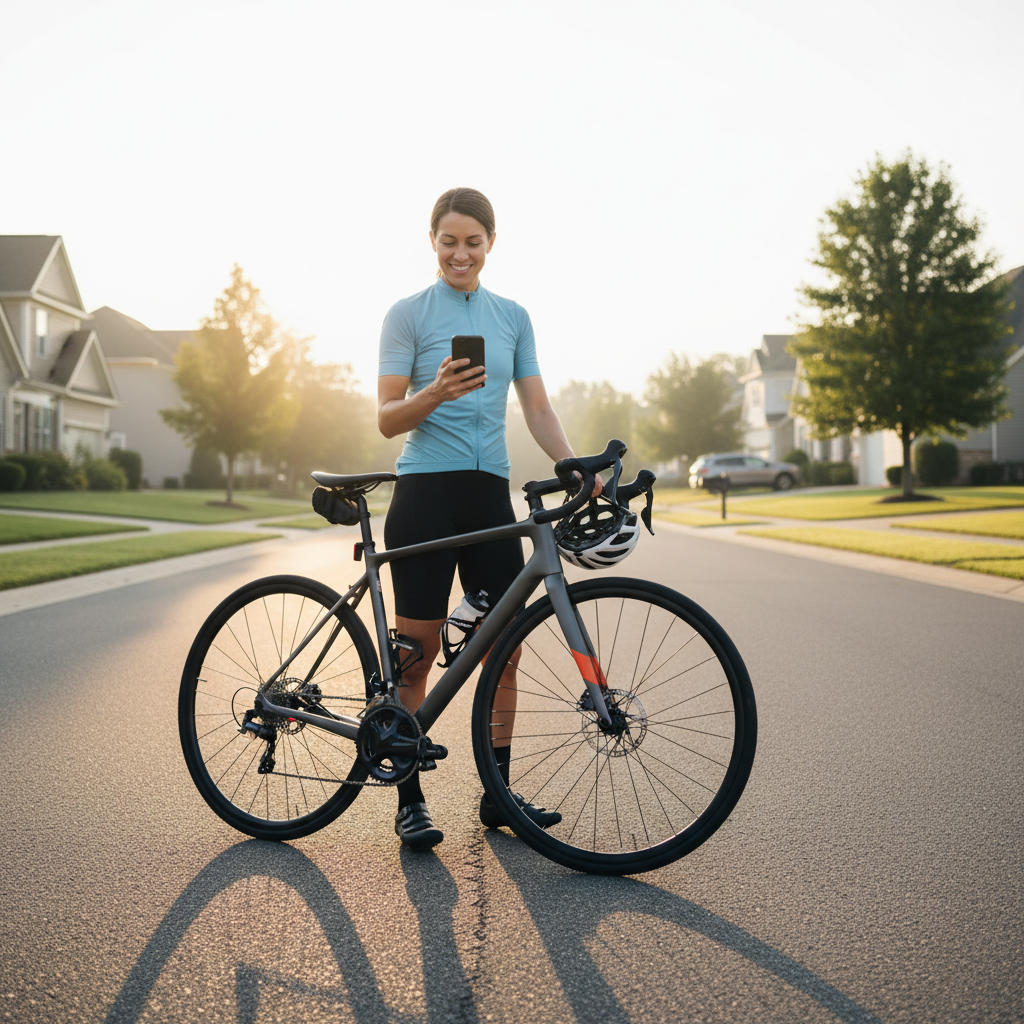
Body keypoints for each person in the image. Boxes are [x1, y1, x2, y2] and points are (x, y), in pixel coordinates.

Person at [378, 187, 599, 849]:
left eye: (473, 241)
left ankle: (498, 794)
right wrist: (436, 392)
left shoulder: (513, 317)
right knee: (414, 660)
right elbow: (387, 418)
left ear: (490, 245)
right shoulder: (407, 314)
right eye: (449, 240)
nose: (461, 252)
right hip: (423, 498)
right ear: (433, 242)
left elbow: (536, 407)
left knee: (506, 652)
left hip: (488, 498)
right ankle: (409, 800)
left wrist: (570, 464)